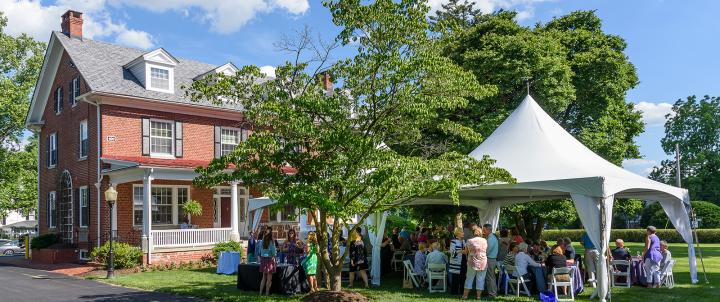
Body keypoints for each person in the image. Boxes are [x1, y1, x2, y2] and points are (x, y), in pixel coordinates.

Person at [462, 226, 487, 300]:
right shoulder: (484, 240)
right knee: (480, 279)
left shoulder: (469, 241)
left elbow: (466, 251)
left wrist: (460, 251)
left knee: (469, 278)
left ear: (473, 233)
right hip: (483, 262)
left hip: (472, 262)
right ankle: (478, 297)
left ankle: (465, 296)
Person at [258, 231, 277, 295]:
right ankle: (267, 293)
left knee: (264, 277)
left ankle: (260, 292)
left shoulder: (262, 242)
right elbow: (274, 252)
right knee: (269, 278)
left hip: (263, 259)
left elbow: (260, 251)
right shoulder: (271, 242)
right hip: (269, 259)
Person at [448, 228, 467, 295]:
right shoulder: (453, 241)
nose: (463, 233)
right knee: (455, 277)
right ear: (458, 233)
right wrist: (460, 251)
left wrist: (466, 251)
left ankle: (462, 292)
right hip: (456, 262)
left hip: (463, 261)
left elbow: (466, 251)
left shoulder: (463, 241)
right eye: (462, 232)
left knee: (463, 277)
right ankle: (454, 292)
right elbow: (452, 253)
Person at [482, 224, 499, 298]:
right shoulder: (491, 237)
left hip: (490, 259)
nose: (483, 231)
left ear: (489, 230)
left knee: (490, 277)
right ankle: (492, 292)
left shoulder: (491, 238)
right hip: (491, 259)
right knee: (491, 277)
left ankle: (492, 294)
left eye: (484, 230)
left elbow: (487, 250)